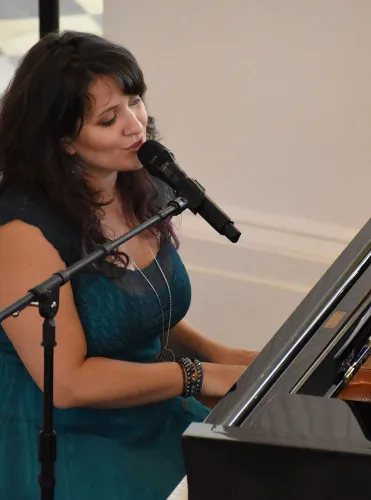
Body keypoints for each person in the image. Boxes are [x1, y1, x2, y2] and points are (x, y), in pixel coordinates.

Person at [0, 30, 256, 499]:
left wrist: (228, 357)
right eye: (108, 118)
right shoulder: (21, 232)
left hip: (151, 405)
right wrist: (198, 374)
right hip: (71, 439)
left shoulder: (138, 186)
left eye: (134, 101)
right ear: (64, 142)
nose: (135, 126)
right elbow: (68, 382)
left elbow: (142, 311)